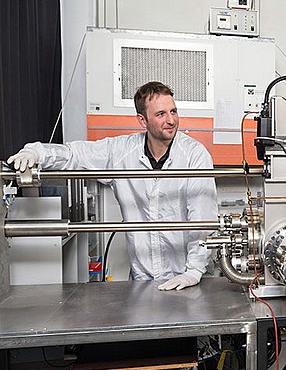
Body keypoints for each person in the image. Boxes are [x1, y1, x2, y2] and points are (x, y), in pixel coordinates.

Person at [7, 81, 218, 291]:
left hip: (188, 278)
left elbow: (202, 219)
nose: (171, 120)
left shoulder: (194, 156)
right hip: (142, 278)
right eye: (161, 114)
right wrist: (36, 153)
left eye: (173, 111)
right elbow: (75, 154)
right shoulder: (121, 151)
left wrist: (194, 271)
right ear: (142, 121)